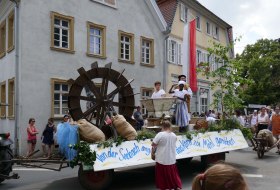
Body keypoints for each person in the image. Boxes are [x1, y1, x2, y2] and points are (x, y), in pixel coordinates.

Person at [151, 121, 182, 190]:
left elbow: (153, 144)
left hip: (162, 159)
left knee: (162, 176)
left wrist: (152, 154)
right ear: (170, 126)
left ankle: (165, 187)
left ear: (163, 127)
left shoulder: (160, 134)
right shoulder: (174, 135)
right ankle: (176, 186)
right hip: (171, 159)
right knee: (173, 175)